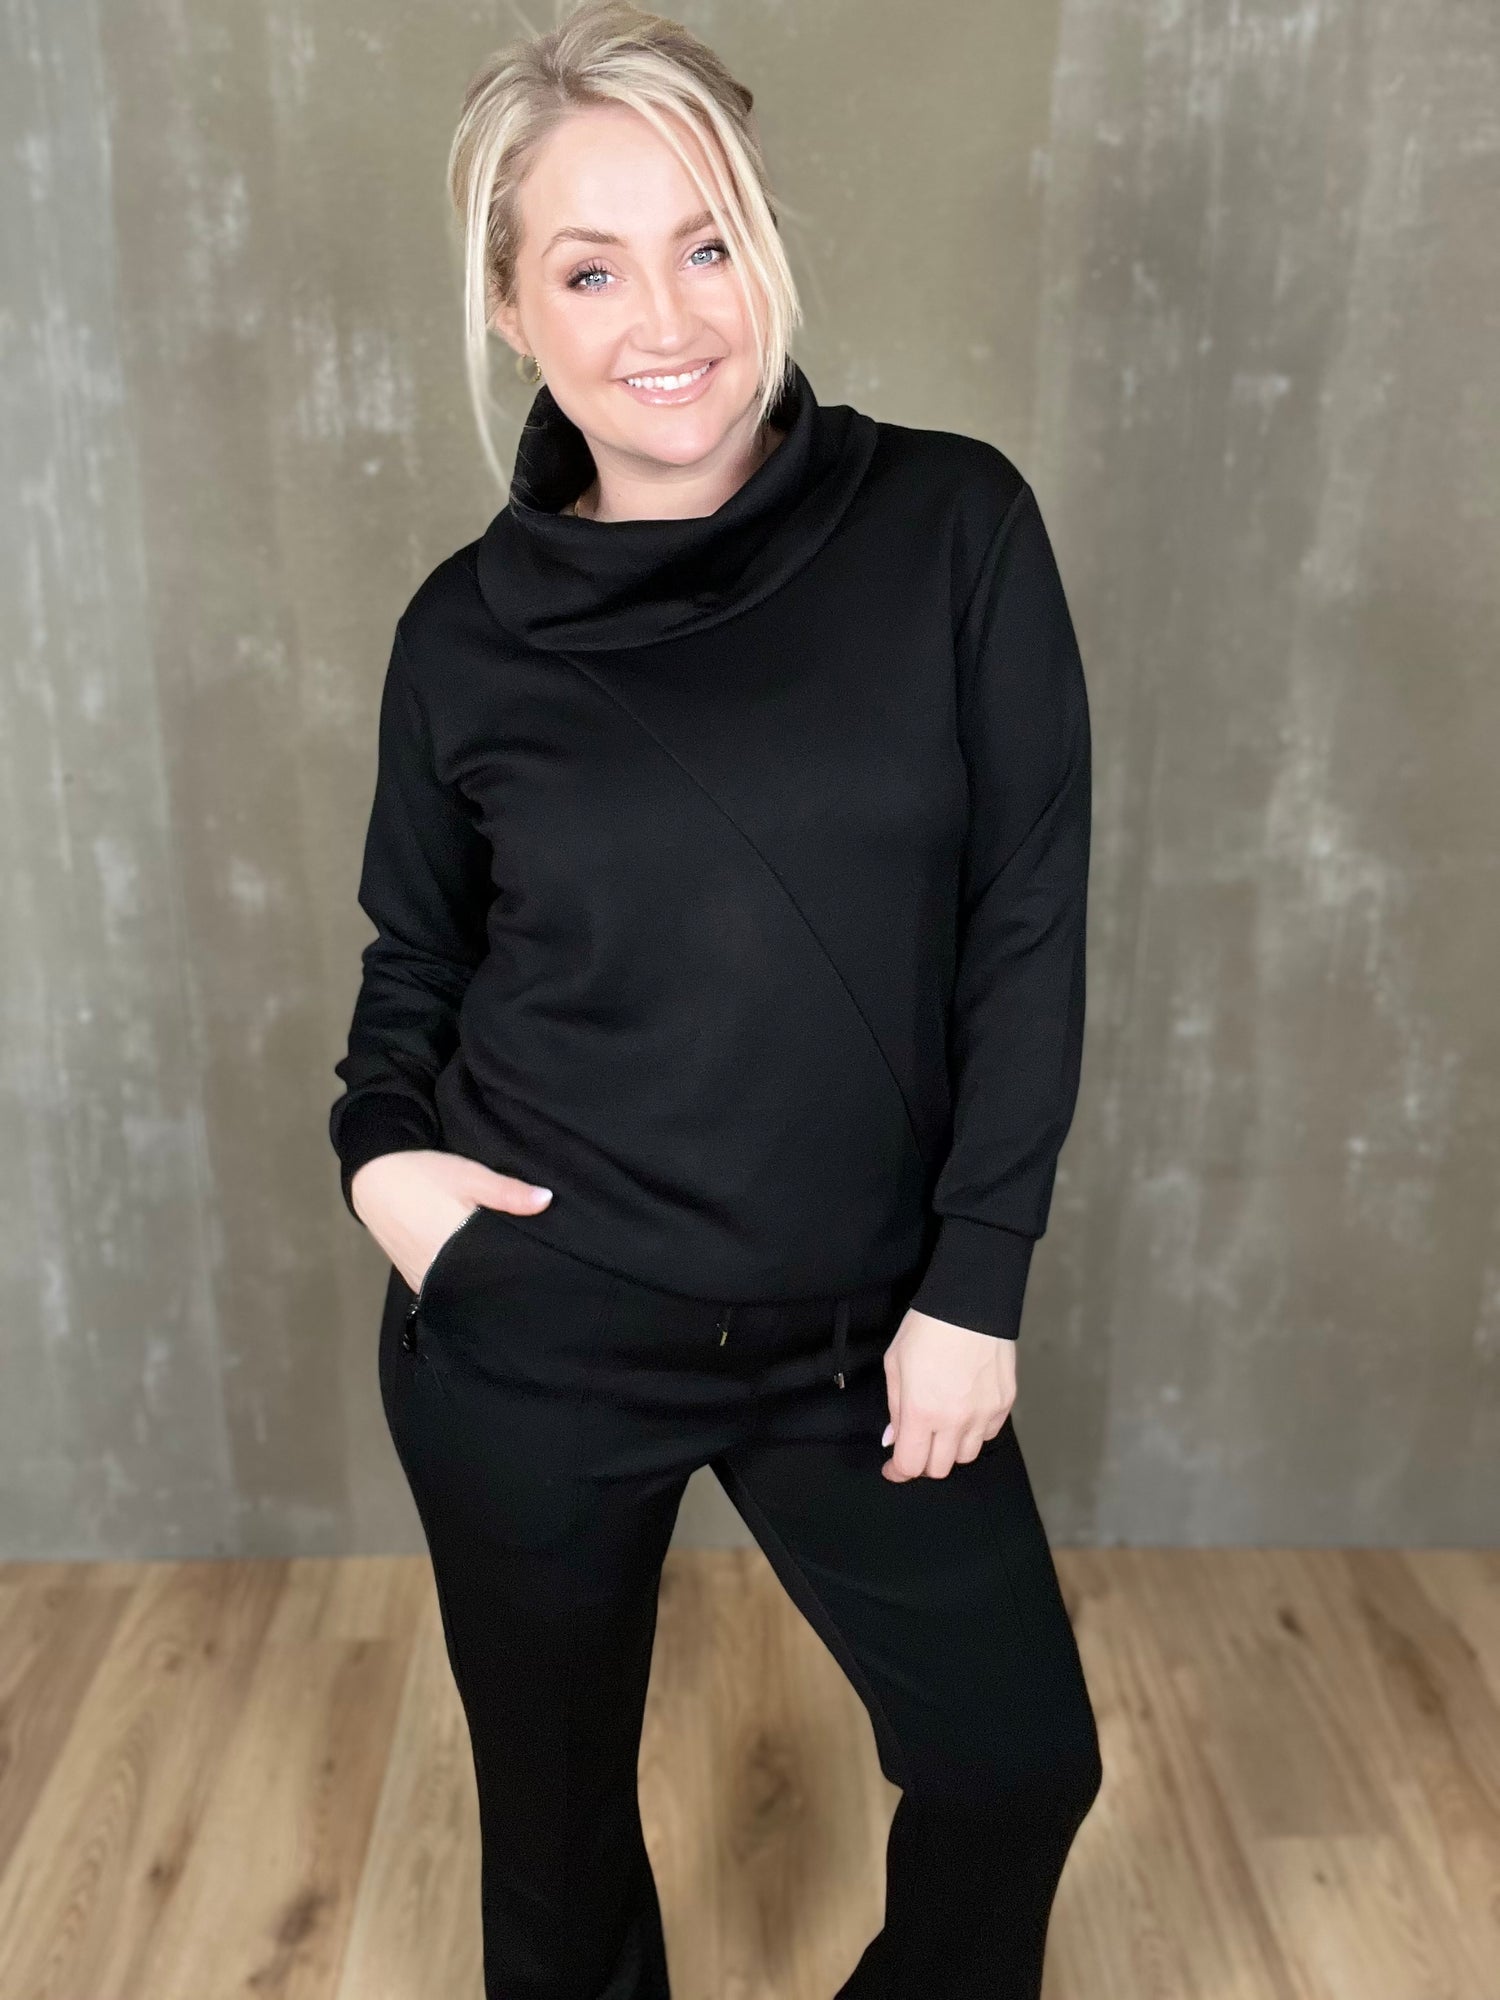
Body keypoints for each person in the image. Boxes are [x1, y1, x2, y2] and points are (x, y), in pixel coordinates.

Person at [329, 3, 1103, 1994]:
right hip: (540, 1327)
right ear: (512, 308)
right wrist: (388, 1175)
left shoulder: (954, 527)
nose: (664, 318)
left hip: (867, 1333)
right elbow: (413, 971)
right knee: (558, 1863)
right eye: (590, 269)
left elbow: (1025, 918)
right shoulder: (463, 640)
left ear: (763, 250)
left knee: (1015, 1767)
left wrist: (977, 1282)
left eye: (704, 244)